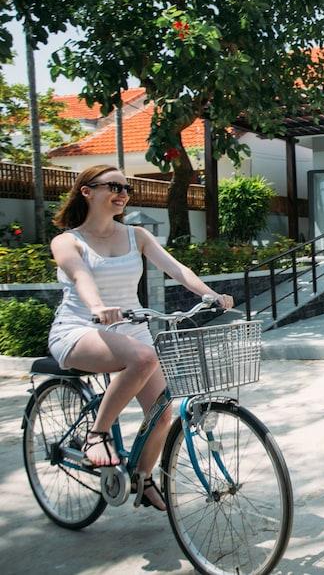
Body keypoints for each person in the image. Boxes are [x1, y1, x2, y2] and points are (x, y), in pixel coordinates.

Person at [48, 165, 235, 511]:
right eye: (113, 186)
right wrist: (98, 306)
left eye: (126, 187)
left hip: (131, 329)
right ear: (87, 191)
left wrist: (211, 295)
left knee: (162, 413)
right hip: (80, 328)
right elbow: (80, 276)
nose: (122, 193)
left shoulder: (137, 235)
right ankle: (97, 434)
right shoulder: (67, 240)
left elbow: (177, 269)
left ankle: (143, 477)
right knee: (144, 358)